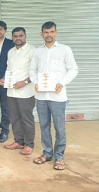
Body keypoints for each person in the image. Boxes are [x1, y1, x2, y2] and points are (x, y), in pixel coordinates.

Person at [29, 21, 79, 171]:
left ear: (56, 33)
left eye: (51, 32)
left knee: (59, 127)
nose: (48, 35)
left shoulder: (65, 50)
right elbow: (32, 70)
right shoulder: (38, 51)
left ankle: (59, 157)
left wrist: (61, 83)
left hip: (58, 97)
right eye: (46, 32)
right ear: (41, 34)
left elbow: (73, 69)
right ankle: (47, 153)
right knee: (44, 126)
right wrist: (35, 82)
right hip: (41, 96)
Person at [0, 27, 36, 155]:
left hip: (26, 92)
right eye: (15, 36)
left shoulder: (32, 51)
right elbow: (9, 69)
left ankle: (29, 144)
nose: (18, 38)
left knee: (26, 118)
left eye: (20, 35)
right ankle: (19, 141)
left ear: (25, 36)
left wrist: (24, 82)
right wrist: (3, 79)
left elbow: (36, 71)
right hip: (11, 91)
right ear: (12, 37)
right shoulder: (11, 52)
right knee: (14, 118)